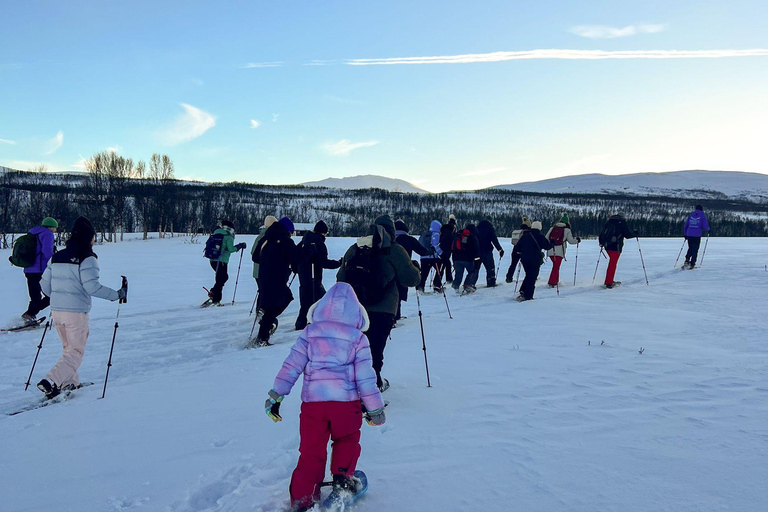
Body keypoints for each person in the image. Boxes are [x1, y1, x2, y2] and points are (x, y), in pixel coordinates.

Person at [264, 282, 386, 512]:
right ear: (357, 312)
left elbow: (292, 366)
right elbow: (366, 378)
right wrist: (375, 409)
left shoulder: (310, 333)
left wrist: (276, 394)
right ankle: (342, 481)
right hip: (345, 406)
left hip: (314, 407)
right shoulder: (358, 339)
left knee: (311, 449)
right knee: (347, 440)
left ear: (321, 308)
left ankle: (303, 496)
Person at [37, 216, 127, 399]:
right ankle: (51, 380)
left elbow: (45, 286)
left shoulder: (57, 257)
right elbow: (92, 287)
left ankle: (70, 382)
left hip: (57, 312)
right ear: (89, 237)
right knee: (76, 352)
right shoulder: (88, 258)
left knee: (68, 349)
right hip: (75, 313)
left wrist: (59, 296)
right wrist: (117, 294)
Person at [337, 215, 420, 391]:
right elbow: (411, 279)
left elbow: (340, 279)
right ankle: (371, 388)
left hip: (355, 309)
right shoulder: (394, 249)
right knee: (375, 349)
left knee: (356, 348)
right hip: (383, 308)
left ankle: (355, 385)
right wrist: (416, 269)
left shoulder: (354, 248)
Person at [252, 217, 299, 346]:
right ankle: (263, 336)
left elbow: (255, 257)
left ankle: (264, 327)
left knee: (271, 304)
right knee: (282, 300)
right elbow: (296, 259)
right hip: (278, 278)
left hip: (263, 276)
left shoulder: (265, 238)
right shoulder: (286, 241)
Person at [294, 220, 342, 330]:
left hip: (303, 276)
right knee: (320, 300)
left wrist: (297, 269)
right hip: (314, 276)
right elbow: (323, 262)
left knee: (306, 300)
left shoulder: (304, 241)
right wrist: (338, 263)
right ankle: (317, 322)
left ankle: (300, 323)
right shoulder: (319, 243)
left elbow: (295, 256)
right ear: (323, 233)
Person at [21, 217, 58, 322]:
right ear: (51, 227)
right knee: (52, 294)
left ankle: (29, 314)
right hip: (40, 270)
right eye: (55, 228)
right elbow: (47, 252)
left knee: (35, 295)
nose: (55, 230)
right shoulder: (47, 234)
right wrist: (55, 260)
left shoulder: (32, 232)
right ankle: (30, 314)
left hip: (28, 269)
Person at [394, 219, 430, 321]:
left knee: (391, 292)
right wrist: (430, 251)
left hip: (388, 268)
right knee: (399, 292)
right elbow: (422, 251)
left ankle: (392, 316)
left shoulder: (388, 238)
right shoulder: (409, 239)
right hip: (403, 269)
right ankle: (396, 316)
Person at [206, 220, 247, 305]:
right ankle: (216, 298)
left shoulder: (216, 233)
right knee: (222, 278)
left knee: (222, 278)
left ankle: (214, 294)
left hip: (213, 260)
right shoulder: (229, 236)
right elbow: (230, 249)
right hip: (222, 261)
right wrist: (240, 246)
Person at [514, 221, 552, 301]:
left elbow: (517, 247)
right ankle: (528, 295)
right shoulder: (540, 236)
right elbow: (547, 246)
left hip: (524, 259)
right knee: (532, 276)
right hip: (535, 259)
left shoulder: (525, 236)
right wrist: (553, 243)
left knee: (528, 275)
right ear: (539, 228)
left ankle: (523, 291)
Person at [598, 213, 636, 288]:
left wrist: (601, 243)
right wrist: (635, 233)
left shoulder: (609, 221)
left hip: (607, 246)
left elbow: (602, 233)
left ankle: (609, 280)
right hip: (616, 246)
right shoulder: (622, 222)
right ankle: (609, 282)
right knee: (613, 264)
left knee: (612, 263)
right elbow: (628, 234)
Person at [543, 214, 580, 287]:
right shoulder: (567, 230)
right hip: (559, 251)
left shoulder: (552, 228)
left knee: (555, 265)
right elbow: (571, 241)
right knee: (556, 266)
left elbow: (546, 238)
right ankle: (552, 282)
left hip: (551, 250)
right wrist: (577, 240)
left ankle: (555, 280)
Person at [251, 215, 278, 313]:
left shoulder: (260, 236)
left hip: (256, 271)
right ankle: (261, 311)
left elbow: (252, 252)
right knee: (265, 292)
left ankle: (260, 310)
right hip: (263, 270)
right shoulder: (268, 236)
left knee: (262, 292)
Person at [451, 223, 481, 295]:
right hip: (468, 260)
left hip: (457, 259)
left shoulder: (458, 235)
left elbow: (453, 249)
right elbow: (476, 250)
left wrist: (454, 261)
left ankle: (454, 288)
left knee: (458, 274)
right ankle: (468, 285)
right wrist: (476, 261)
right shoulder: (473, 237)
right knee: (472, 272)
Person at [417, 220, 444, 293]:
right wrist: (441, 253)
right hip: (432, 257)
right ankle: (437, 286)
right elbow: (435, 245)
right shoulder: (436, 234)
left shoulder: (424, 234)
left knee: (424, 273)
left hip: (423, 257)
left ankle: (420, 288)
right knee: (440, 269)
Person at [476, 219, 504, 287]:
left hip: (478, 252)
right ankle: (491, 282)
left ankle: (470, 283)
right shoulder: (490, 229)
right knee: (490, 268)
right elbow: (494, 240)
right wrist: (500, 249)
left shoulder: (476, 229)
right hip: (487, 251)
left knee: (475, 269)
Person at [505, 217, 531, 283]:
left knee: (513, 264)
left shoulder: (518, 231)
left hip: (515, 250)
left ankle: (509, 277)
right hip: (524, 251)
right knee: (527, 265)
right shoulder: (528, 232)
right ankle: (529, 276)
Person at [683, 204, 710, 269]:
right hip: (697, 235)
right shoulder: (702, 216)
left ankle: (687, 260)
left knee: (690, 248)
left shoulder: (691, 215)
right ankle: (692, 263)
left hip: (689, 234)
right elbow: (705, 224)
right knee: (695, 249)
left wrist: (685, 234)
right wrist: (708, 230)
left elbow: (686, 225)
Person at [438, 215, 457, 285]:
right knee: (446, 264)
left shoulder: (443, 230)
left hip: (441, 248)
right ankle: (446, 280)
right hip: (449, 248)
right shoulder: (452, 229)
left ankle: (444, 279)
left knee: (444, 264)